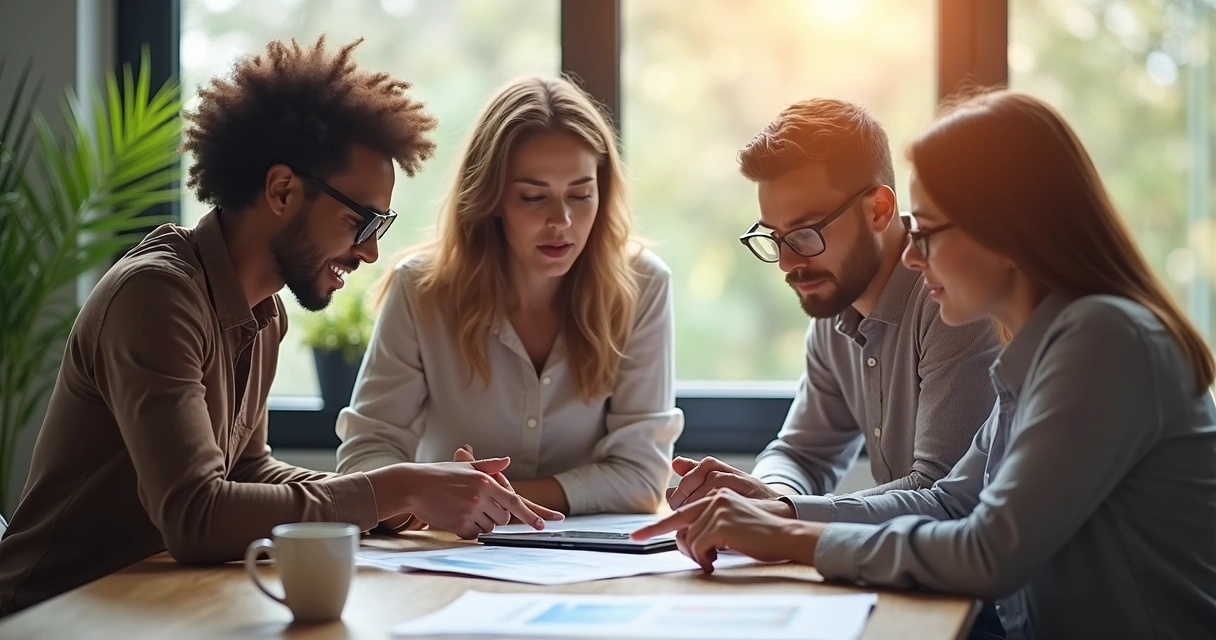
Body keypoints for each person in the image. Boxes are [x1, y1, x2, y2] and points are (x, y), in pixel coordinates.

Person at [0, 37, 558, 616]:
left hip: (144, 606)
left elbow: (247, 470)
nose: (368, 254)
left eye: (380, 226)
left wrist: (397, 495)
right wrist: (396, 488)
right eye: (359, 221)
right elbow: (196, 516)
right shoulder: (156, 296)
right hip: (49, 614)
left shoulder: (264, 315)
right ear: (282, 190)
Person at [635, 90, 1216, 639]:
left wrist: (789, 534)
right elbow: (950, 502)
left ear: (1008, 231)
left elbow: (985, 551)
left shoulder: (1103, 339)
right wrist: (778, 515)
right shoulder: (1043, 347)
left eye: (929, 231)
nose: (912, 255)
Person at [335, 76, 683, 524]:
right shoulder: (420, 289)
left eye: (580, 194)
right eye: (534, 197)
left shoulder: (644, 285)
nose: (561, 220)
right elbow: (365, 455)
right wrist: (425, 500)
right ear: (493, 196)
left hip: (588, 561)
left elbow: (641, 476)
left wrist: (480, 498)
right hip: (446, 555)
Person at [667, 99, 999, 510]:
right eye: (774, 237)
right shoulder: (834, 307)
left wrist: (786, 512)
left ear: (879, 209)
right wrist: (765, 494)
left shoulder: (952, 300)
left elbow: (944, 493)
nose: (788, 263)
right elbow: (799, 455)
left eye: (805, 232)